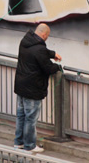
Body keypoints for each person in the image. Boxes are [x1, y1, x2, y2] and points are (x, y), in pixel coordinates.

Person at [13, 23, 61, 153]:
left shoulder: (25, 41)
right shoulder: (39, 49)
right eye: (47, 36)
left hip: (21, 86)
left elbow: (40, 52)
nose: (47, 38)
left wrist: (52, 54)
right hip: (33, 89)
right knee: (30, 118)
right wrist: (58, 67)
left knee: (21, 116)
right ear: (44, 35)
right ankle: (29, 145)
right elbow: (48, 68)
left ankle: (19, 142)